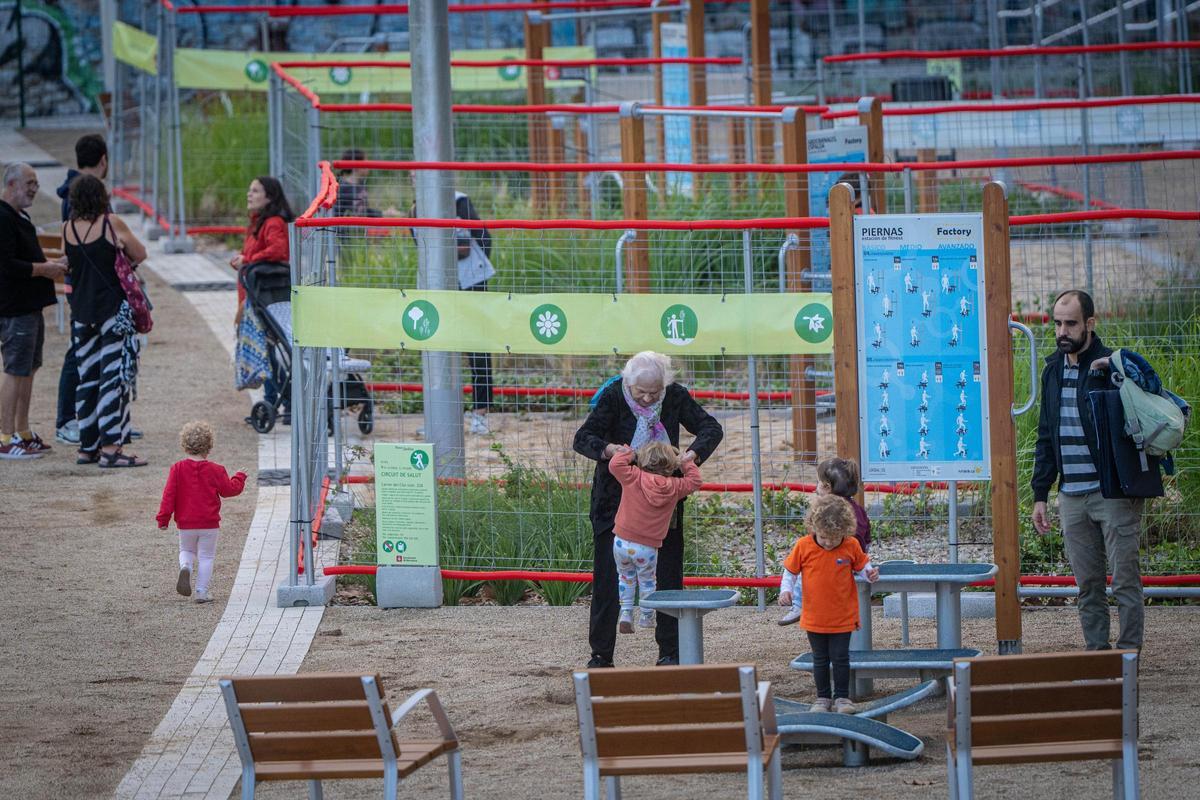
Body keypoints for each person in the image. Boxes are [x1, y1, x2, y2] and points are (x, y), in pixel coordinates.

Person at [573, 351, 724, 668]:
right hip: (614, 506)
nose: (646, 397)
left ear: (664, 385)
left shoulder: (676, 396)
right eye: (640, 391)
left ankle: (670, 652)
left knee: (668, 577)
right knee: (607, 579)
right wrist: (609, 449)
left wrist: (692, 456)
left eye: (654, 393)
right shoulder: (614, 396)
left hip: (664, 505)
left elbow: (710, 427)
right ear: (627, 383)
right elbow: (583, 437)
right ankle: (601, 654)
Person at [1032, 289, 1147, 651]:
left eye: (1071, 323)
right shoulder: (1052, 371)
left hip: (1112, 492)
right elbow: (1047, 434)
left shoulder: (1112, 365)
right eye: (1057, 324)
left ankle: (1128, 659)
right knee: (1088, 585)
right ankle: (1099, 659)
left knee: (1125, 580)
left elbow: (1146, 397)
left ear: (1090, 324)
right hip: (1071, 496)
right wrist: (1040, 494)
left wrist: (1116, 372)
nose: (1062, 331)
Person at [62, 175, 149, 467]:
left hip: (81, 314)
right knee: (112, 378)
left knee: (87, 379)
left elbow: (70, 264)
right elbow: (140, 253)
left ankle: (87, 448)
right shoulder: (112, 224)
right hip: (112, 311)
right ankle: (112, 448)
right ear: (101, 197)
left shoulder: (67, 229)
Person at [778, 493, 879, 713]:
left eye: (835, 538)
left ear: (845, 531)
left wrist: (869, 574)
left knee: (841, 657)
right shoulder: (803, 546)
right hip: (814, 616)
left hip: (843, 616)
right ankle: (822, 698)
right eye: (824, 537)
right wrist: (785, 590)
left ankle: (842, 698)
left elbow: (862, 566)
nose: (829, 542)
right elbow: (790, 572)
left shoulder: (851, 545)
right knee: (820, 659)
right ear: (813, 527)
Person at [410, 190, 495, 434]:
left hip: (470, 283)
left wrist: (469, 273)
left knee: (477, 347)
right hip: (438, 286)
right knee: (438, 347)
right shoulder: (415, 209)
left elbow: (483, 238)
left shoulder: (458, 201)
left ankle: (480, 412)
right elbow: (424, 249)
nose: (415, 178)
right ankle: (439, 415)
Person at [0, 162, 68, 459]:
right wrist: (46, 269)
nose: (35, 189)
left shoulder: (19, 216)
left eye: (36, 183)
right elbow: (6, 265)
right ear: (11, 184)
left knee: (29, 367)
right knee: (15, 370)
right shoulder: (2, 218)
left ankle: (23, 431)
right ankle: (4, 437)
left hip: (30, 306)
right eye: (30, 183)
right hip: (14, 308)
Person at [607, 441, 703, 633]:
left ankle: (625, 612)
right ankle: (646, 616)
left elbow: (614, 465)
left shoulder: (633, 476)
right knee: (647, 581)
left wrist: (628, 453)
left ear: (644, 461)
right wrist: (686, 463)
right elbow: (695, 482)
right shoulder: (675, 487)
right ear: (670, 465)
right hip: (647, 547)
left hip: (621, 540)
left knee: (625, 578)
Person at [54, 133, 109, 447]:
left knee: (93, 352)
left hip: (86, 286)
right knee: (78, 353)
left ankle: (102, 418)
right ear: (103, 159)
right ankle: (66, 419)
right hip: (89, 286)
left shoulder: (70, 192)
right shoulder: (82, 195)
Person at [156, 421, 247, 603]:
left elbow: (169, 495)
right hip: (209, 523)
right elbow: (229, 490)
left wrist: (163, 518)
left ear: (184, 445)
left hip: (186, 522)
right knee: (206, 556)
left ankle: (186, 566)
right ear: (209, 446)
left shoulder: (177, 469)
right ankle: (201, 592)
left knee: (186, 549)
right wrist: (240, 477)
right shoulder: (216, 470)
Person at [779, 457, 872, 626]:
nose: (816, 488)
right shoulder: (856, 508)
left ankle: (799, 605)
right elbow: (866, 538)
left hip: (845, 559)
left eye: (819, 483)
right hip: (856, 555)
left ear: (827, 488)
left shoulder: (832, 513)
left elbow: (847, 541)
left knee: (806, 570)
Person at [230, 177, 293, 422]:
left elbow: (279, 251)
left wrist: (248, 259)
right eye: (249, 189)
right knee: (267, 349)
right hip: (255, 294)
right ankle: (273, 401)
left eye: (255, 190)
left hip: (267, 296)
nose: (249, 194)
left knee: (271, 350)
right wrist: (244, 258)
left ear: (269, 197)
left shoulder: (273, 223)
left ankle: (283, 401)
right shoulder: (259, 223)